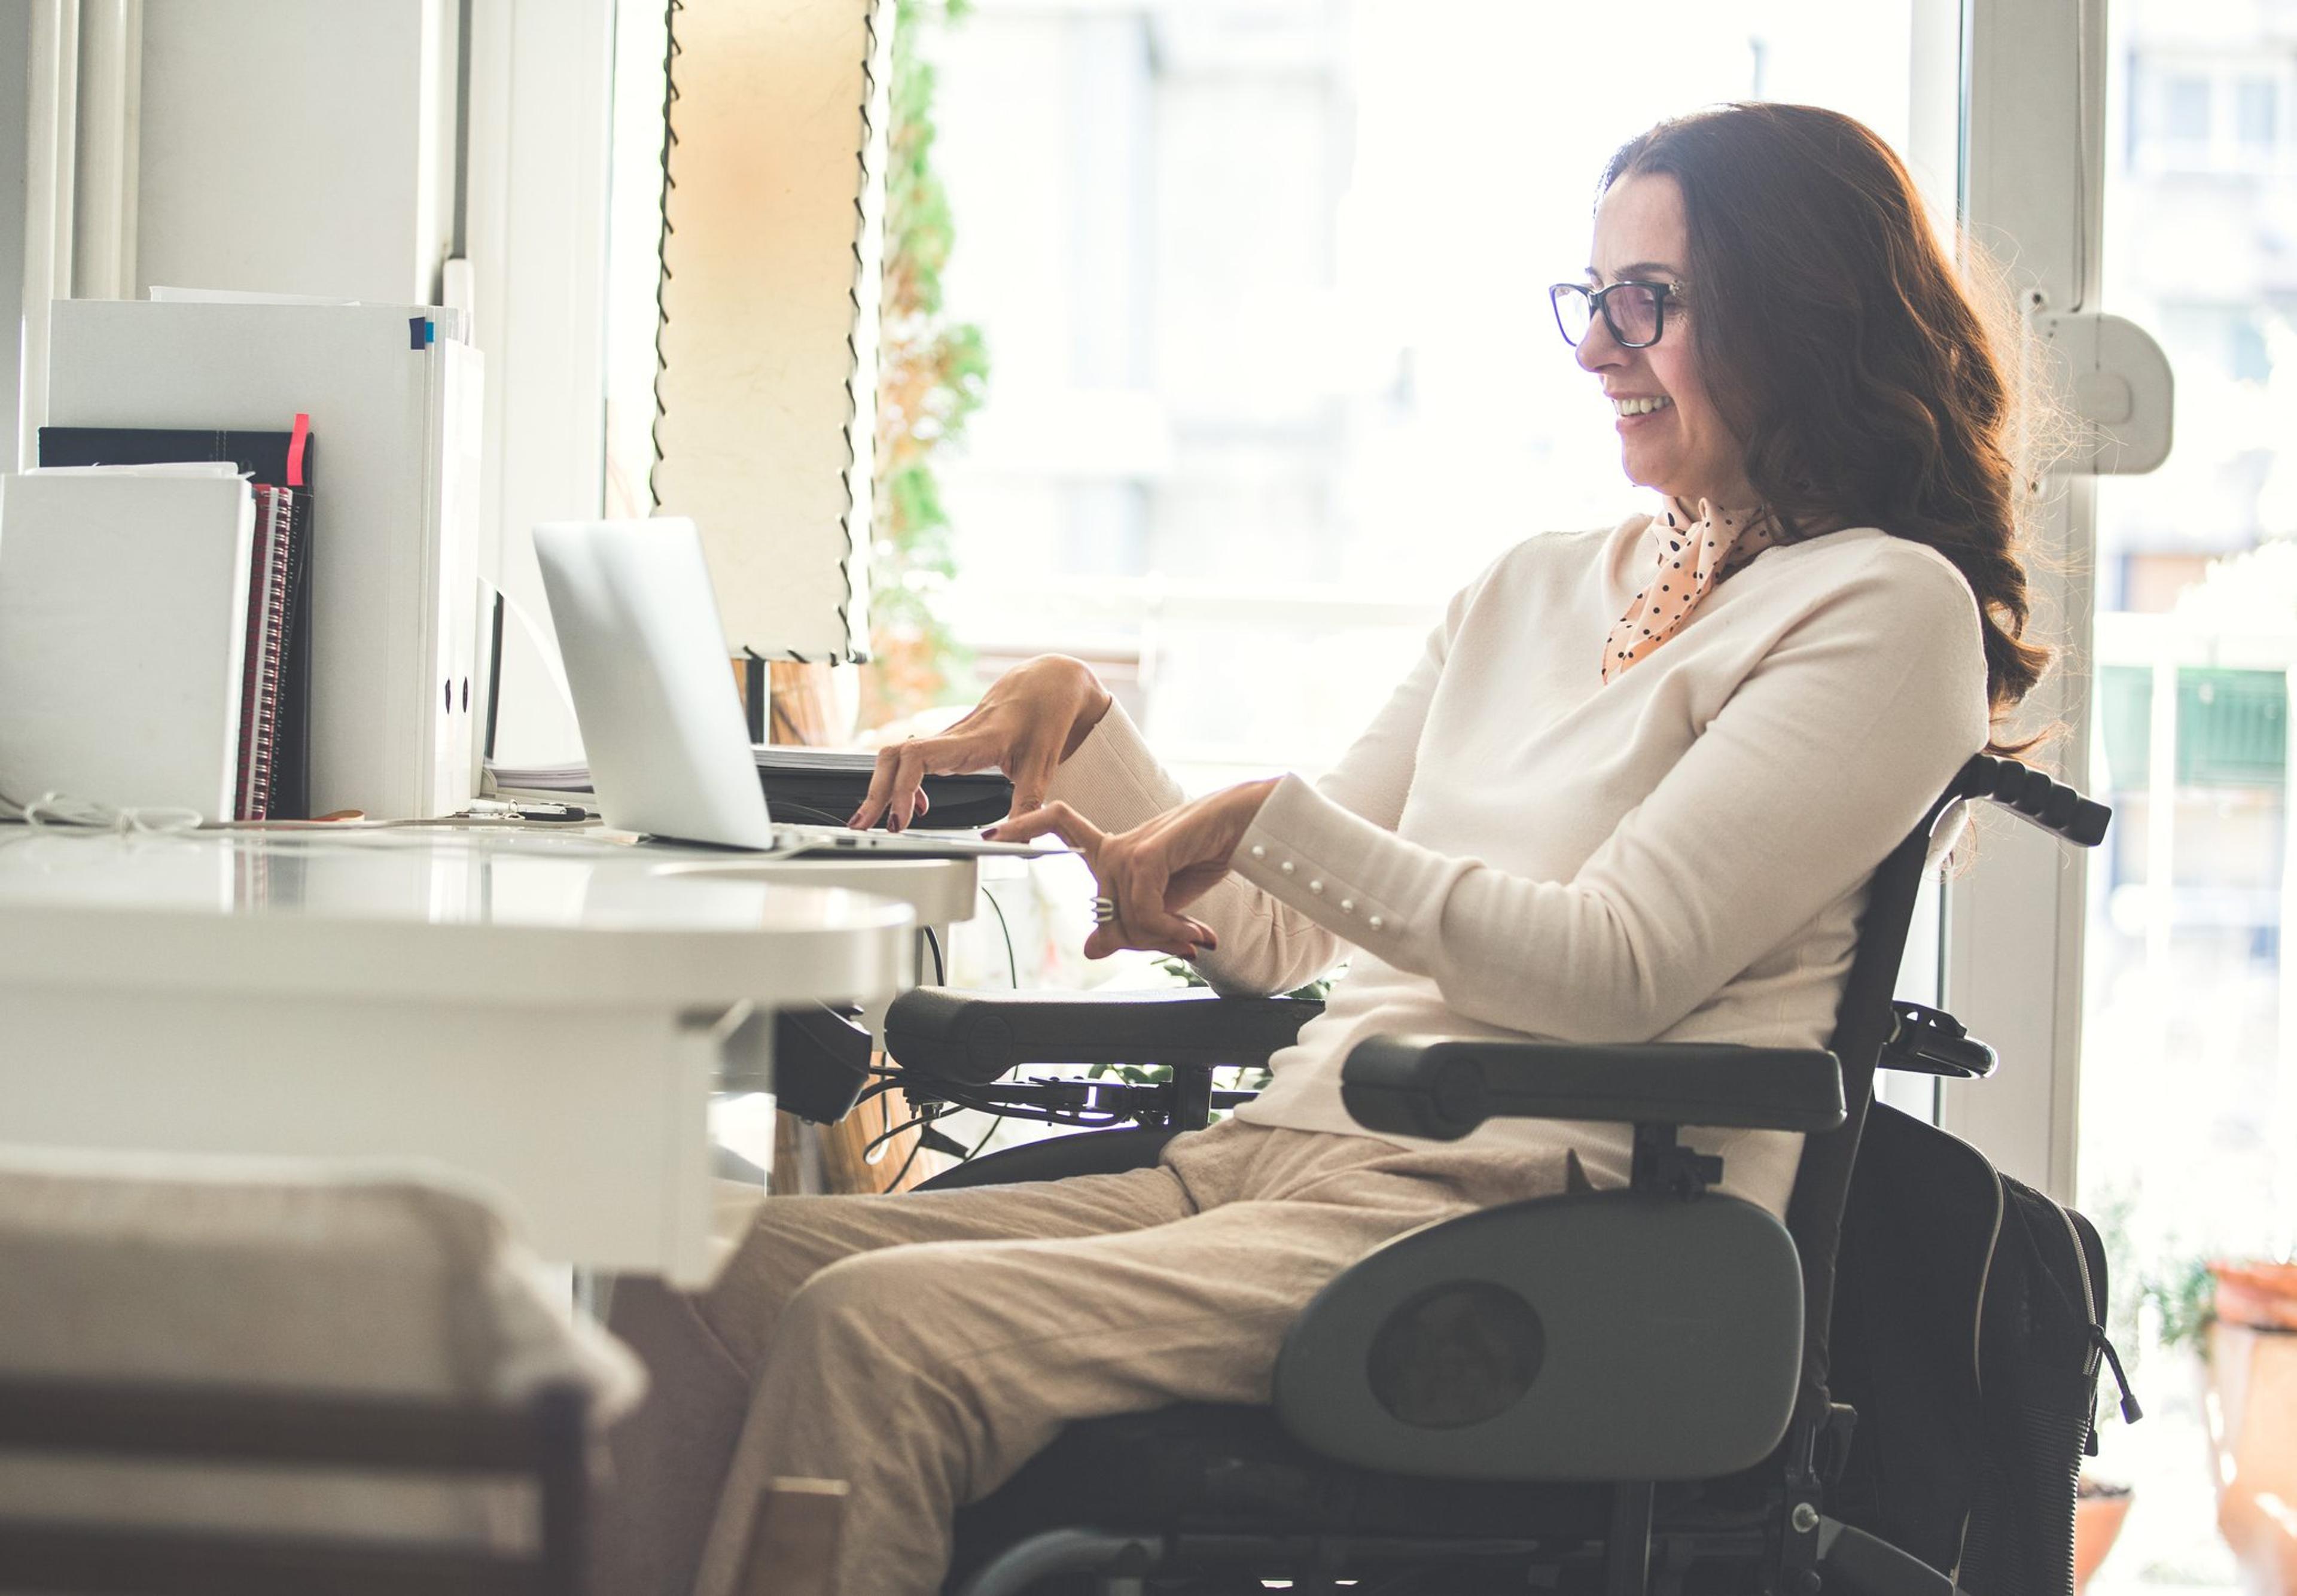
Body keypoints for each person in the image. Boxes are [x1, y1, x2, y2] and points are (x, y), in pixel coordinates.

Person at [593, 100, 2051, 1596]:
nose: (1597, 346)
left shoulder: (1883, 612)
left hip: (1517, 1223)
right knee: (690, 1279)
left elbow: (1620, 966)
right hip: (1270, 1165)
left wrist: (1268, 817)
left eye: (1649, 303)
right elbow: (1294, 933)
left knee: (875, 1338)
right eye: (1591, 298)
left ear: (1800, 311)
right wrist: (1084, 723)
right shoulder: (1532, 587)